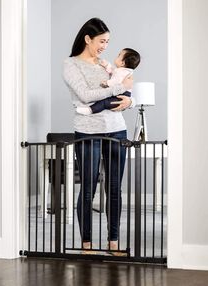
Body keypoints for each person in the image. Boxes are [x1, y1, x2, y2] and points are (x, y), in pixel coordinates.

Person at [63, 17, 134, 255]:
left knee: (114, 188)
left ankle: (113, 241)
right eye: (102, 41)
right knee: (88, 188)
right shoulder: (71, 64)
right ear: (87, 39)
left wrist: (130, 100)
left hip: (117, 128)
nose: (105, 45)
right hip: (87, 131)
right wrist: (118, 89)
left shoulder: (106, 65)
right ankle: (87, 244)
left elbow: (127, 90)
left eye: (108, 41)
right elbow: (84, 95)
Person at [76, 48, 140, 115]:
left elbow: (116, 81)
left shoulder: (123, 72)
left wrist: (130, 102)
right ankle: (90, 109)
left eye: (119, 55)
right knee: (104, 102)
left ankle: (90, 110)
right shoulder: (122, 71)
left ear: (122, 63)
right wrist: (107, 66)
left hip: (121, 96)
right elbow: (114, 74)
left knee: (104, 103)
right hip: (119, 95)